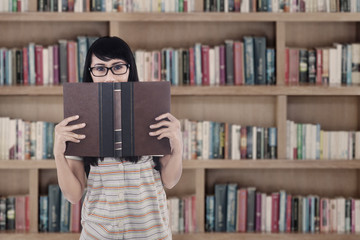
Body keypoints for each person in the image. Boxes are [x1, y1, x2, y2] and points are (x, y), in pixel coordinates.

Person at [54, 36, 183, 240]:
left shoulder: (151, 108)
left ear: (130, 68)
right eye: (100, 68)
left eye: (117, 67)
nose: (109, 77)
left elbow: (170, 180)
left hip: (150, 233)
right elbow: (73, 195)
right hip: (99, 233)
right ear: (90, 73)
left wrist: (177, 147)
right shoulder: (79, 116)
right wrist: (58, 155)